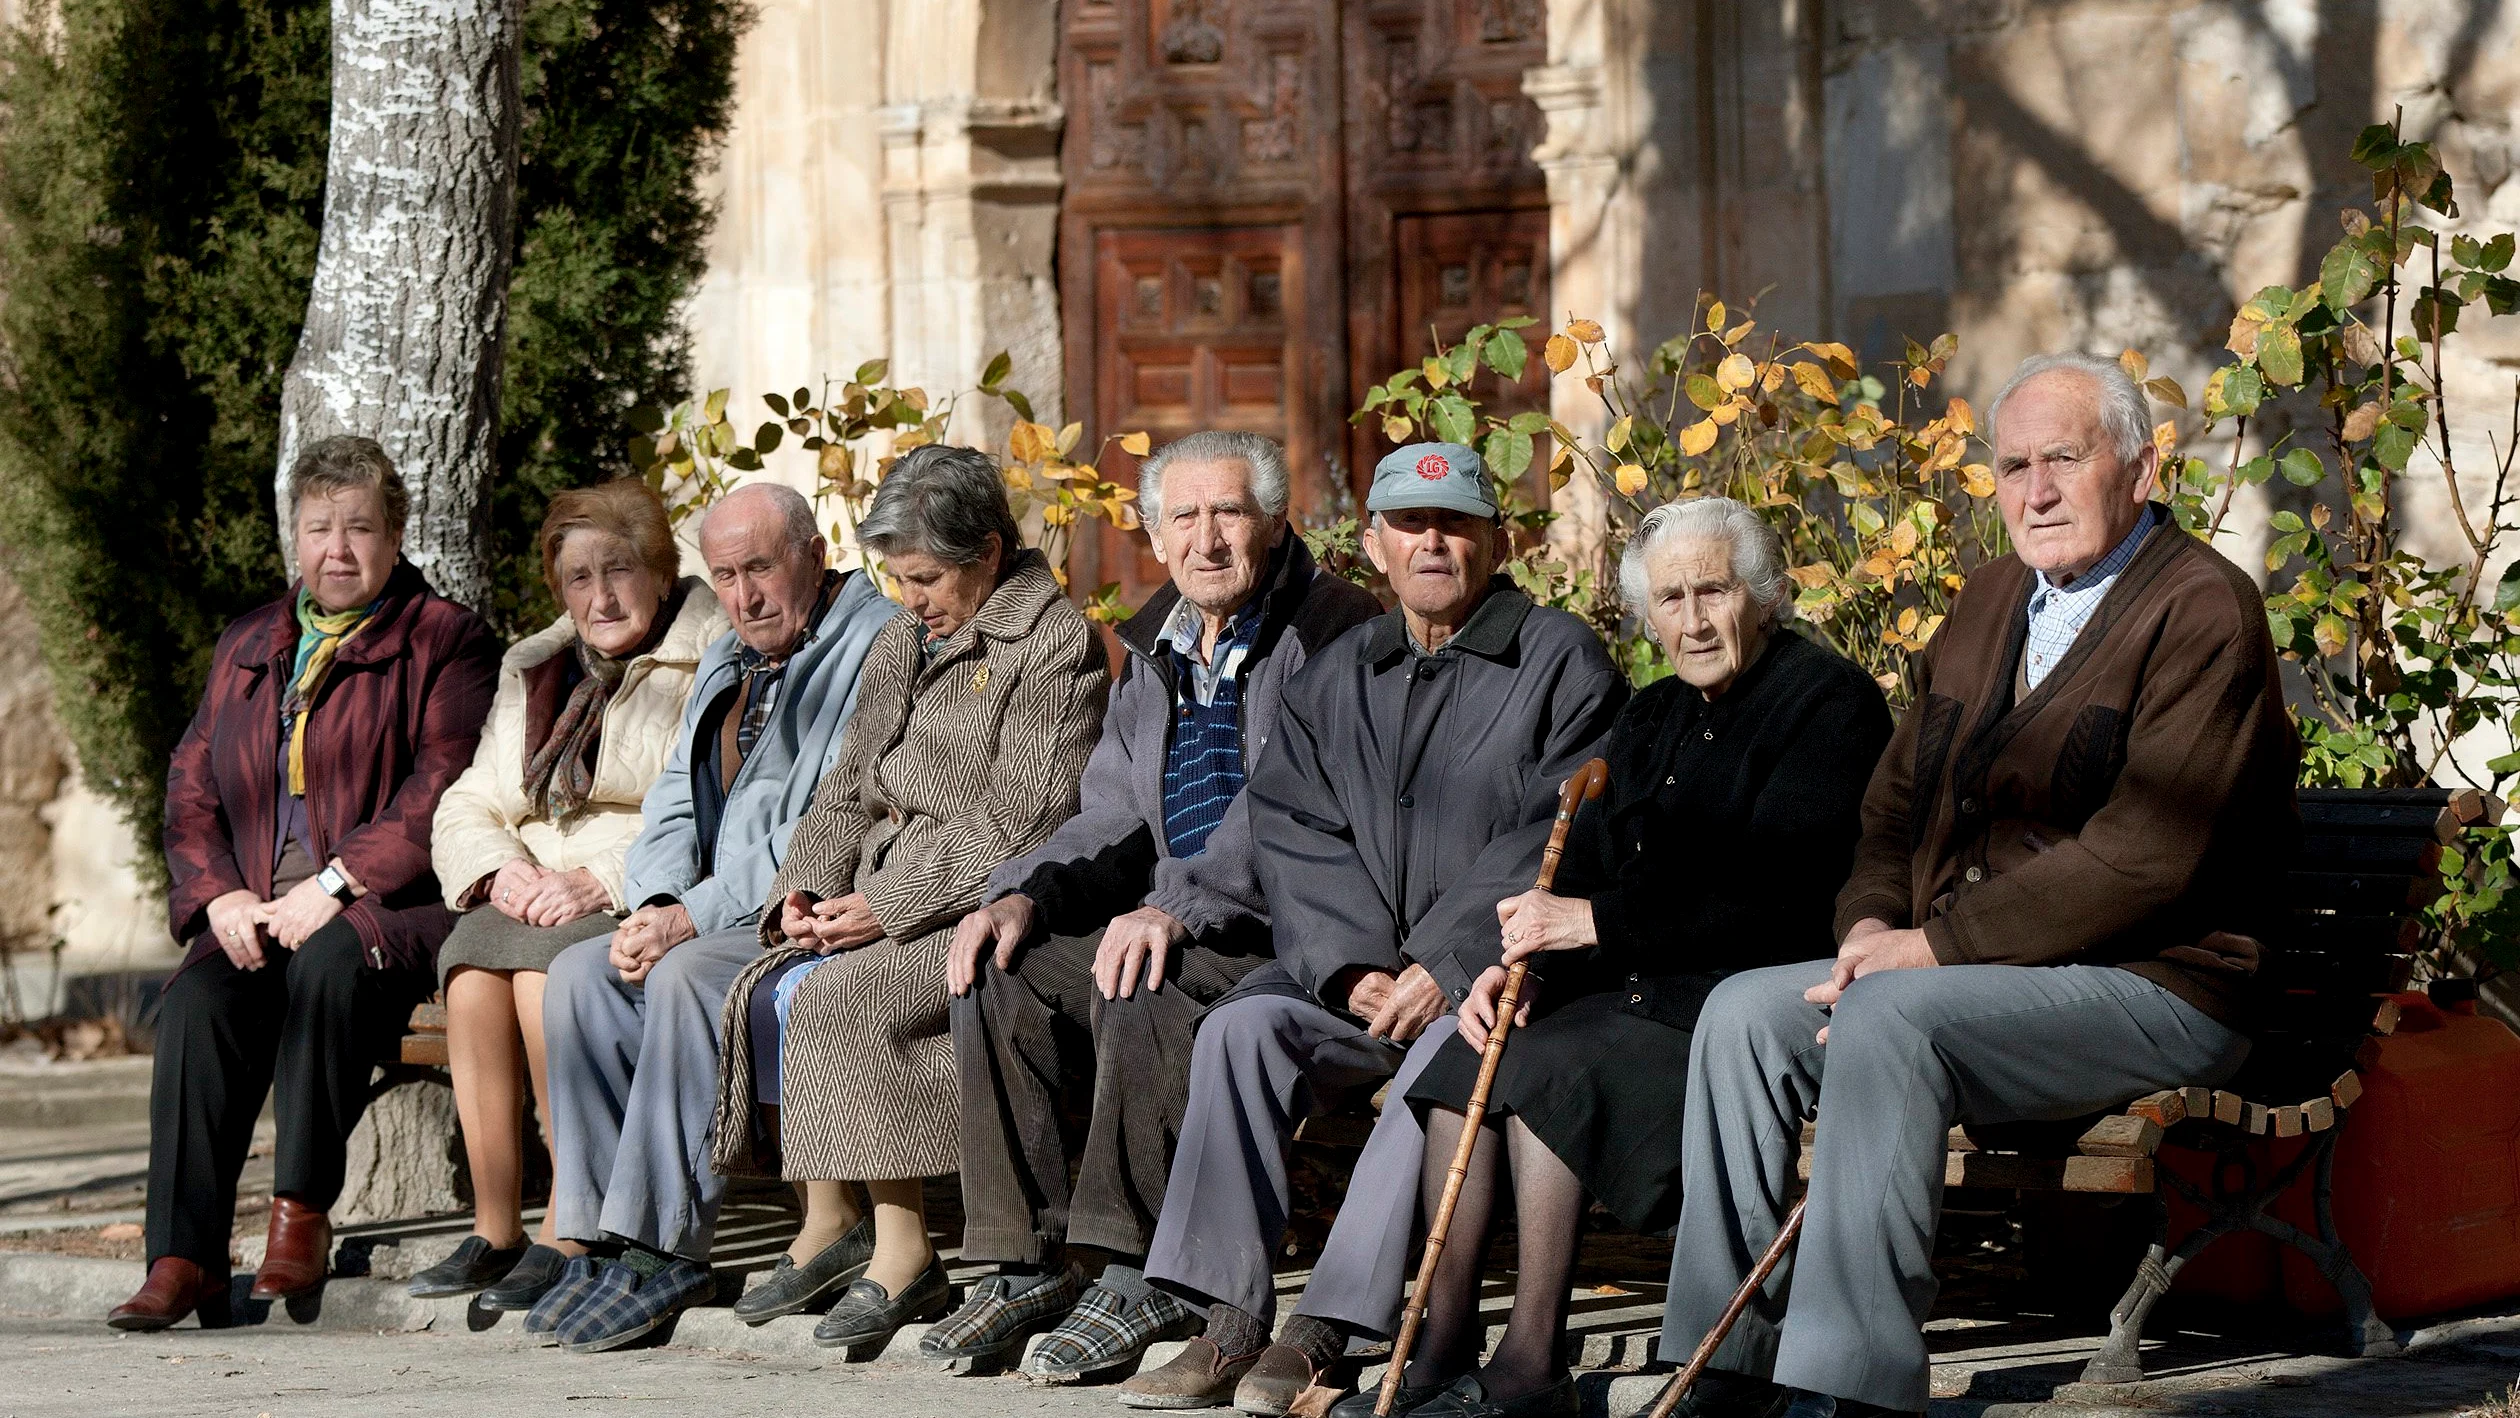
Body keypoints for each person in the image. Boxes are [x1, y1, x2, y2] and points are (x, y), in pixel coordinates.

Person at [1659, 352, 2297, 1418]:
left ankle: (1848, 1385)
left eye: (2064, 457)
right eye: (2012, 465)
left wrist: (1930, 951)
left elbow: (2145, 854)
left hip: (2165, 985)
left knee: (1893, 1015)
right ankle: (1722, 1367)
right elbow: (1893, 807)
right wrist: (1869, 922)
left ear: (2141, 469)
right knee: (1740, 1014)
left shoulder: (2203, 610)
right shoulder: (1993, 597)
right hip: (1979, 980)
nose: (2035, 489)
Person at [1118, 443, 1627, 1412]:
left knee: (1436, 1067)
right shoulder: (1341, 668)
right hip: (1347, 975)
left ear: (1499, 539)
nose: (1431, 541)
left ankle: (1326, 1330)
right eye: (1408, 524)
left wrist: (1445, 961)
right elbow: (1293, 826)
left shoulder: (1560, 657)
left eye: (1456, 523)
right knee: (1238, 1027)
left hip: (1482, 978)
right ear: (1374, 544)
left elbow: (1555, 834)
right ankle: (1228, 1320)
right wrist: (1350, 968)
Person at [1365, 499, 1890, 1418]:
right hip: (1633, 986)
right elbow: (1596, 869)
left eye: (1714, 591)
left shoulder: (1829, 703)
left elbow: (1786, 891)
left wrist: (1589, 926)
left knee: (1557, 1073)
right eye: (1670, 598)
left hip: (1745, 998)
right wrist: (1519, 969)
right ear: (1647, 615)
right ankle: (1442, 1348)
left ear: (1762, 596)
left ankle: (1532, 1366)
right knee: (1468, 1058)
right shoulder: (1651, 716)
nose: (1691, 619)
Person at [916, 432, 1380, 1379]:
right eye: (1186, 517)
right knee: (997, 968)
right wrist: (1023, 896)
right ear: (1154, 535)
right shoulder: (1158, 637)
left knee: (1145, 981)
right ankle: (1023, 1260)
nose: (1208, 539)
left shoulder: (1334, 629)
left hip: (1299, 927)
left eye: (1230, 514)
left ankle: (1141, 1272)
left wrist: (1181, 904)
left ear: (1275, 523)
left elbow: (1292, 804)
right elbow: (1114, 811)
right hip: (1187, 907)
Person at [702, 444, 1111, 1358]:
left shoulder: (1055, 644)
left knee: (849, 995)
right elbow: (847, 784)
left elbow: (1025, 816)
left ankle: (905, 1254)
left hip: (985, 899)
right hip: (881, 883)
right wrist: (805, 888)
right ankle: (827, 1221)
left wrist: (890, 904)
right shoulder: (901, 638)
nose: (909, 597)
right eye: (896, 577)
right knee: (775, 982)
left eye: (925, 578)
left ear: (990, 555)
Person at [110, 436, 500, 1330]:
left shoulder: (446, 640)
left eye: (359, 527)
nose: (337, 548)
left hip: (389, 908)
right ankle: (185, 1256)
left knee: (328, 964)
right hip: (258, 908)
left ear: (396, 535)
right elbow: (190, 783)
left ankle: (299, 1213)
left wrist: (333, 883)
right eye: (319, 527)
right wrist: (220, 898)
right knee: (195, 1004)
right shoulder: (250, 639)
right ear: (295, 533)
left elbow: (439, 787)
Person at [521, 481, 896, 1343]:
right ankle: (597, 1235)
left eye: (760, 569)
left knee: (687, 975)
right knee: (581, 972)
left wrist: (688, 919)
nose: (743, 596)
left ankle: (667, 1248)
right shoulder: (729, 656)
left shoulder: (874, 645)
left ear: (813, 553)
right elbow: (671, 808)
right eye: (723, 576)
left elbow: (828, 824)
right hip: (706, 912)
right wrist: (652, 904)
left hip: (803, 914)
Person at [407, 480, 728, 1299]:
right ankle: (495, 1228)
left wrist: (595, 879)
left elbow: (691, 807)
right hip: (531, 882)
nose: (601, 595)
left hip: (631, 889)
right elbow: (470, 799)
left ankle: (569, 1224)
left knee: (545, 975)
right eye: (579, 578)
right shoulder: (534, 665)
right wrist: (497, 870)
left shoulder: (707, 657)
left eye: (619, 569)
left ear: (660, 572)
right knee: (474, 970)